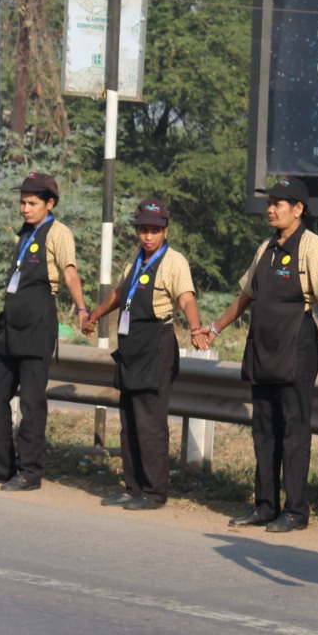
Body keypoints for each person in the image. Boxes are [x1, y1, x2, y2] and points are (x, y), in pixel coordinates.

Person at [198, 177, 318, 532]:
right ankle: (264, 506)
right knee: (264, 429)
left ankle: (295, 511)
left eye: (278, 203)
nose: (271, 209)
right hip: (262, 346)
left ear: (298, 209)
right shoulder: (266, 247)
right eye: (269, 202)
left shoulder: (314, 246)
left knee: (294, 429)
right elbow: (246, 296)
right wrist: (214, 329)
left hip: (296, 345)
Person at [0, 172, 92, 492]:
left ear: (49, 203)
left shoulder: (59, 232)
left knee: (31, 402)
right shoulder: (24, 233)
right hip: (10, 323)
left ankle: (30, 472)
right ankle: (1, 466)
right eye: (22, 202)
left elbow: (69, 272)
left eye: (32, 203)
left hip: (38, 322)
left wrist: (82, 309)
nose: (25, 208)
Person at [82, 198, 204, 510]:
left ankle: (154, 491)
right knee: (129, 421)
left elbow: (186, 298)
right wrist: (95, 315)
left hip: (155, 347)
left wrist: (195, 327)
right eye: (143, 230)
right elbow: (120, 293)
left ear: (166, 231)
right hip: (131, 347)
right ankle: (132, 487)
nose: (148, 236)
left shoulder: (174, 262)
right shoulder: (135, 260)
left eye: (155, 230)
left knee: (150, 423)